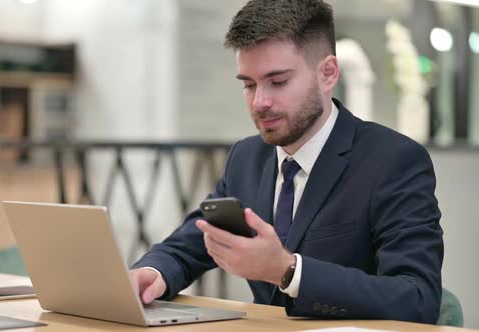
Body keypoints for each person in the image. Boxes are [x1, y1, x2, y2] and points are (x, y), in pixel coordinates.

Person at [130, 0, 443, 324]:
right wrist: (153, 273)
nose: (260, 101)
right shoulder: (245, 158)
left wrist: (289, 271)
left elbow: (417, 299)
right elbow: (190, 244)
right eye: (248, 84)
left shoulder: (394, 161)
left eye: (277, 82)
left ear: (328, 73)